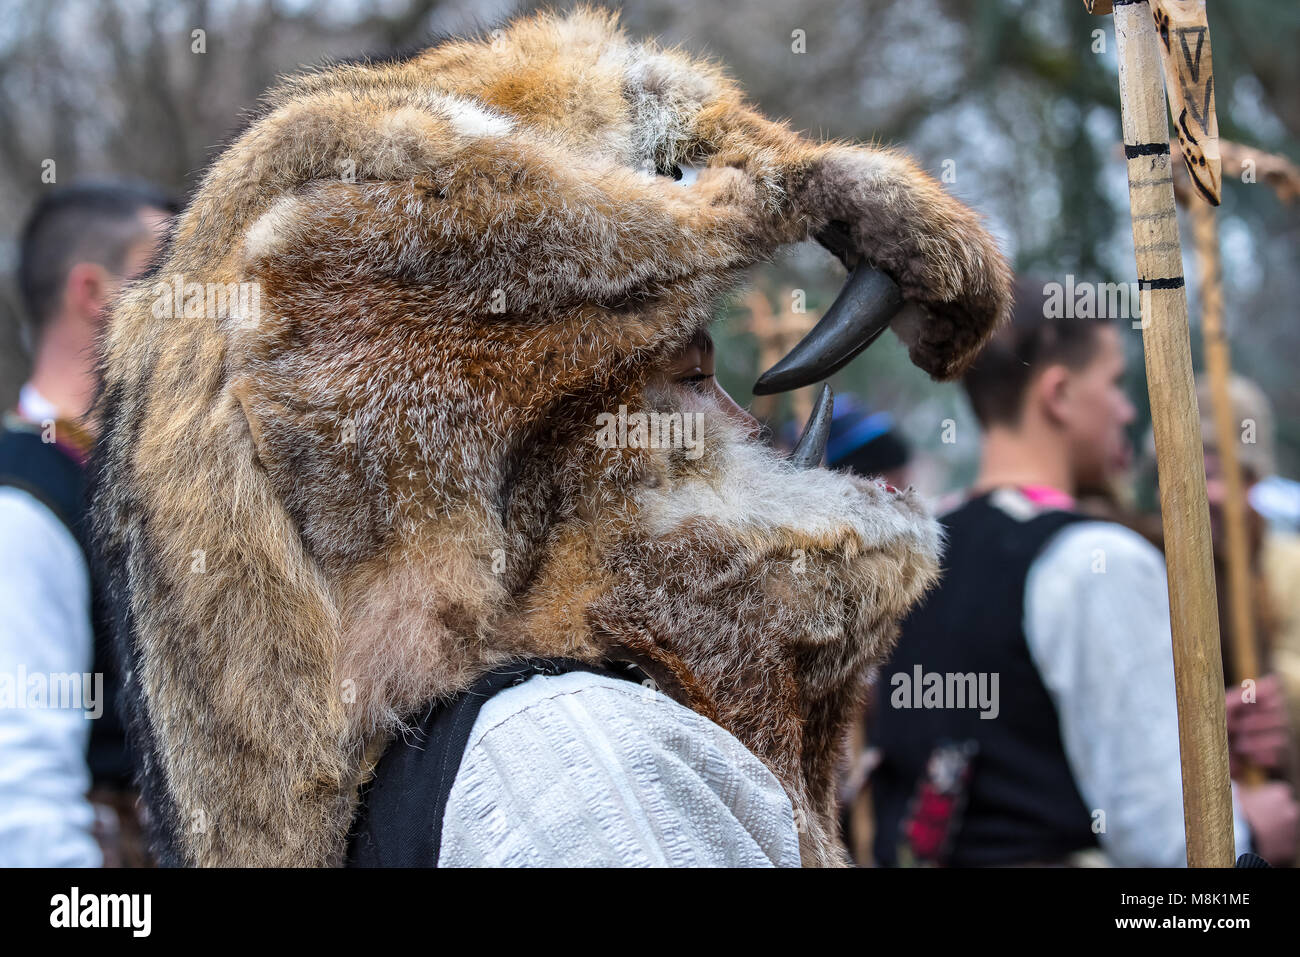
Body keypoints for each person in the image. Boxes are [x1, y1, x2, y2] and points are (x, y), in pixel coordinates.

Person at [868, 279, 1298, 867]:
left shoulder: (911, 554)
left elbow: (1005, 748)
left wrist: (1191, 733)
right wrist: (1252, 836)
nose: (1126, 409)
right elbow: (1173, 847)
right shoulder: (1097, 562)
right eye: (1115, 382)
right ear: (1060, 394)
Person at [0, 181, 174, 866]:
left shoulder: (124, 471)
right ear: (94, 293)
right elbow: (19, 795)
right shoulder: (22, 500)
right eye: (170, 275)